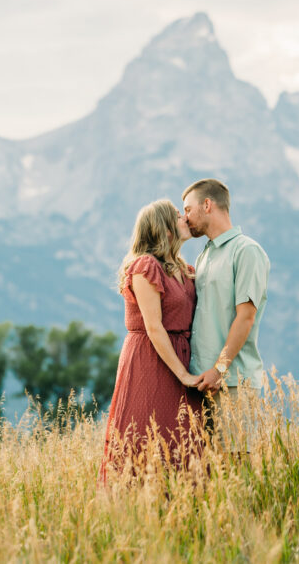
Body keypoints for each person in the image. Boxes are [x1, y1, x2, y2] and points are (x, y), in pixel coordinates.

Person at [99, 200, 203, 481]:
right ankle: (137, 506)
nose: (185, 219)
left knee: (182, 438)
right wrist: (183, 374)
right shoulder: (146, 266)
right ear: (165, 229)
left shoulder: (184, 268)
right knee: (146, 432)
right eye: (178, 216)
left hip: (181, 354)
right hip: (152, 358)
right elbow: (154, 326)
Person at [182, 179, 270, 450]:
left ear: (207, 205)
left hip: (233, 383)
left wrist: (220, 369)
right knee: (208, 477)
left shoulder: (247, 251)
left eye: (188, 209)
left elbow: (246, 316)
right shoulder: (203, 256)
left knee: (237, 469)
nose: (184, 218)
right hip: (200, 383)